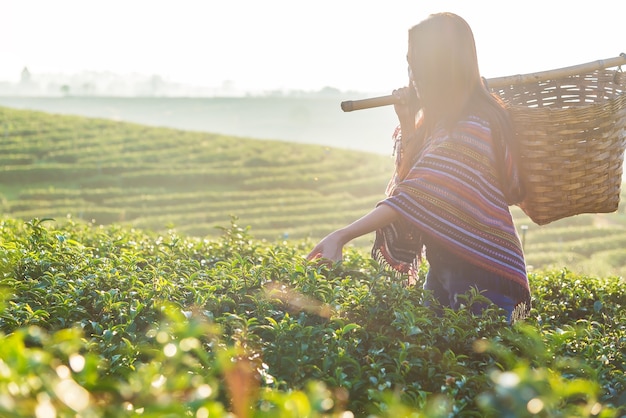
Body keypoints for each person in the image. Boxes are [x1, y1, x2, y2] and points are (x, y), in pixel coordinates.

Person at [306, 12, 531, 323]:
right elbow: (409, 178)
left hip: (484, 276)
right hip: (444, 266)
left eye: (417, 65)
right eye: (409, 64)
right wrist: (407, 122)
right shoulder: (442, 123)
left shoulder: (473, 126)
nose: (412, 75)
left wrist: (342, 235)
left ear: (439, 67)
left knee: (479, 367)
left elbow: (417, 193)